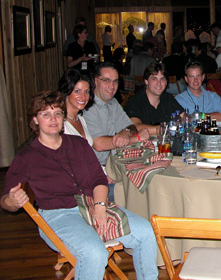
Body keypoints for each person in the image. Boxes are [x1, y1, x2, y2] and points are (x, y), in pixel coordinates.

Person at [0, 90, 158, 280]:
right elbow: (5, 202)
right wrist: (11, 200)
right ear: (35, 120)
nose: (53, 119)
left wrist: (100, 206)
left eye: (57, 113)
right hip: (58, 216)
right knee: (94, 252)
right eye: (45, 114)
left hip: (93, 204)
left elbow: (98, 179)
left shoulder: (79, 144)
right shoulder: (26, 157)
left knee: (147, 233)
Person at [83, 62, 149, 167]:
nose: (112, 86)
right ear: (95, 81)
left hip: (115, 163)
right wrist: (134, 139)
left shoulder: (113, 102)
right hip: (96, 169)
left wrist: (125, 132)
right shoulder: (87, 106)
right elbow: (99, 144)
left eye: (115, 82)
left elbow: (131, 127)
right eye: (106, 80)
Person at [125, 62, 184, 133]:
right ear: (146, 81)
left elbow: (184, 117)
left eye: (162, 79)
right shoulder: (135, 100)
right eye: (154, 79)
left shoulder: (168, 98)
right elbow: (134, 127)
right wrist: (164, 129)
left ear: (166, 82)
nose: (159, 83)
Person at [58, 69, 95, 147]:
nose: (83, 97)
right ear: (67, 91)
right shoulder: (60, 123)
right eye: (77, 91)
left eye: (87, 92)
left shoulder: (81, 119)